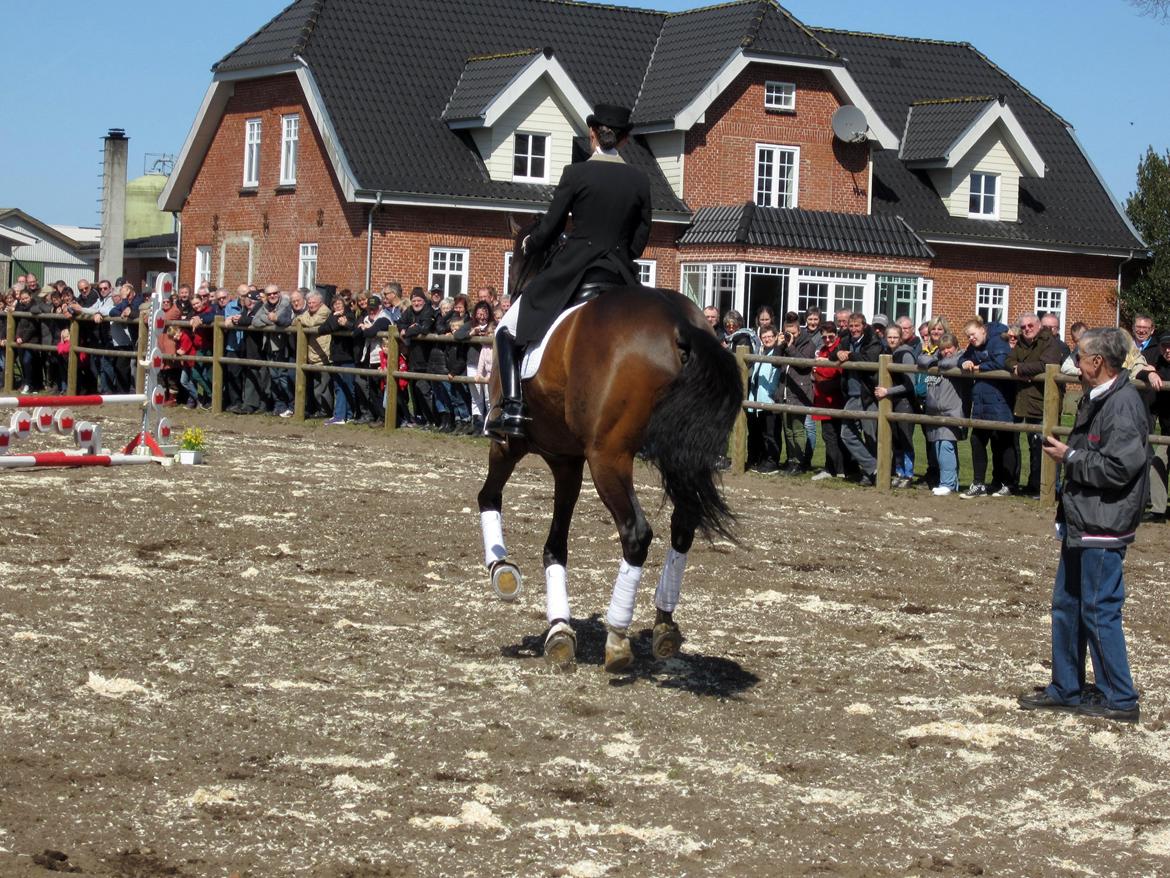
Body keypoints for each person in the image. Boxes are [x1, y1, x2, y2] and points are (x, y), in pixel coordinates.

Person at [485, 102, 652, 441]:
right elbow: (642, 232)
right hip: (620, 275)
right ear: (624, 140)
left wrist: (531, 244)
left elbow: (551, 226)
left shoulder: (575, 174)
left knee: (507, 329)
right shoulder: (639, 179)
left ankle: (514, 408)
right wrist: (623, 256)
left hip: (575, 270)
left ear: (593, 134)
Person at [1019, 327, 1149, 723]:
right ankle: (1067, 687)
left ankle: (1120, 697)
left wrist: (1069, 457)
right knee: (1067, 606)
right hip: (1083, 520)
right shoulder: (1099, 399)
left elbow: (1120, 467)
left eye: (1079, 355)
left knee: (1097, 609)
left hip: (1102, 523)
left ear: (1098, 362)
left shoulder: (1123, 404)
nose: (1074, 363)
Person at [959, 318, 1017, 498]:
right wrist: (964, 363)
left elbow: (1001, 362)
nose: (971, 339)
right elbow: (963, 356)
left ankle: (1006, 483)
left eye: (973, 335)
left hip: (1000, 400)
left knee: (1003, 443)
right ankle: (979, 483)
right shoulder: (974, 346)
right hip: (981, 402)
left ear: (983, 330)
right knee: (977, 440)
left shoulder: (998, 340)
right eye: (968, 336)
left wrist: (978, 367)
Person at [835, 313, 883, 486]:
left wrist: (849, 355)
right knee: (846, 434)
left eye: (857, 326)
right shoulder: (846, 339)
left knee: (871, 434)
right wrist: (840, 352)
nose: (854, 329)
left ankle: (872, 473)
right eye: (851, 326)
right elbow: (834, 354)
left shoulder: (873, 340)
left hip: (868, 394)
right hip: (851, 394)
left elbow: (869, 358)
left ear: (864, 325)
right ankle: (873, 468)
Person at [918, 333, 966, 495]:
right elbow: (922, 359)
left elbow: (953, 362)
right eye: (943, 349)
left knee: (946, 445)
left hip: (951, 411)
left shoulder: (961, 359)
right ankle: (951, 482)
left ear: (956, 347)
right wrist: (935, 362)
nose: (946, 351)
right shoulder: (936, 361)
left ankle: (948, 484)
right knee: (938, 447)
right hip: (934, 411)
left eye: (949, 348)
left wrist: (938, 363)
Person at [874, 324, 920, 487]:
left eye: (895, 337)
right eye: (889, 337)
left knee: (906, 437)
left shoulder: (905, 354)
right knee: (896, 439)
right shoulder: (888, 354)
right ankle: (899, 472)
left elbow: (910, 384)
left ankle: (908, 474)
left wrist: (888, 391)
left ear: (900, 338)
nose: (892, 340)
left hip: (905, 402)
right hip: (894, 401)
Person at [810, 323, 846, 480]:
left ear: (836, 335)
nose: (827, 339)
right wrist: (819, 371)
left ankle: (835, 469)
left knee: (833, 434)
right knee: (829, 434)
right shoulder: (823, 350)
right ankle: (835, 468)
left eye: (830, 336)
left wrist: (819, 370)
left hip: (834, 398)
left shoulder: (839, 349)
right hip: (823, 398)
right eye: (824, 337)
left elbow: (836, 372)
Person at [746, 326, 782, 474]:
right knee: (761, 432)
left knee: (771, 433)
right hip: (758, 399)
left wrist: (780, 344)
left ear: (775, 337)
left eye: (770, 336)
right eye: (764, 337)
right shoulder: (762, 352)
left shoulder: (778, 352)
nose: (767, 339)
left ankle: (773, 461)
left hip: (770, 399)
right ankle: (762, 459)